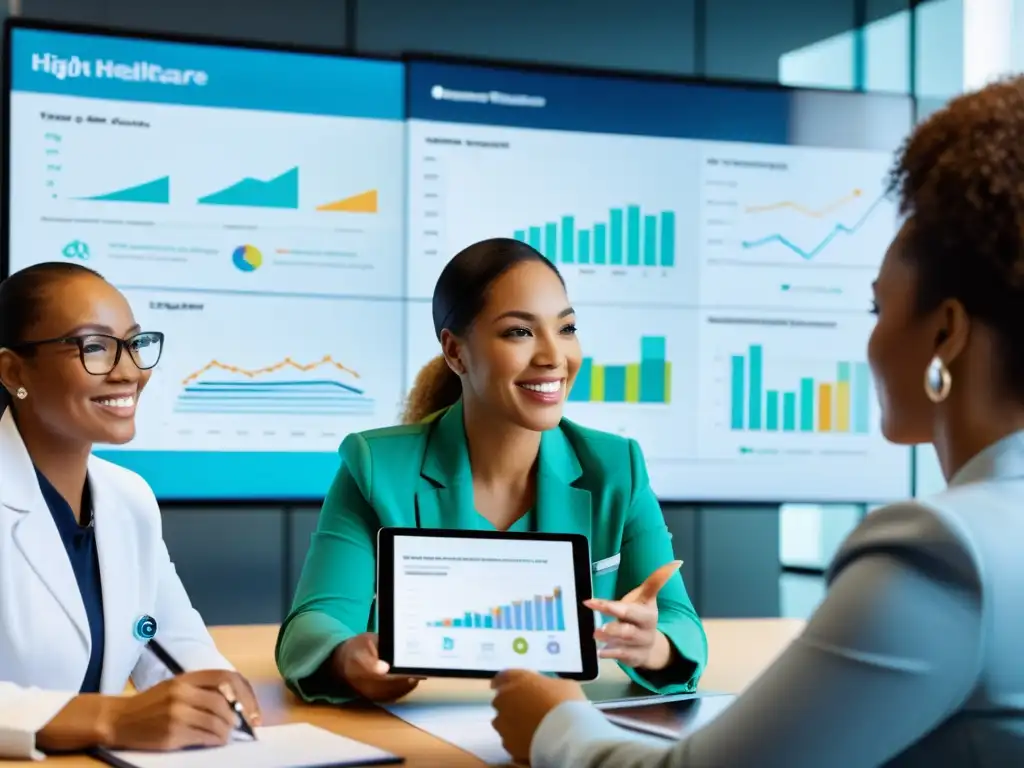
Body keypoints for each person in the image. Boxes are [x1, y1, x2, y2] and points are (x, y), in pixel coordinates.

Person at [489, 77, 1024, 768]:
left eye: (876, 309)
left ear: (945, 333)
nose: (869, 340)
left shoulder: (946, 554)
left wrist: (556, 723)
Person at [276, 238, 707, 704]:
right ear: (456, 352)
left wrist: (653, 646)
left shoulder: (615, 468)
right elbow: (315, 622)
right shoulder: (375, 466)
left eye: (566, 328)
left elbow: (679, 623)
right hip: (421, 729)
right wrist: (346, 658)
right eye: (520, 332)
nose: (553, 357)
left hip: (560, 729)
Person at [0, 262, 260, 759]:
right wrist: (110, 717)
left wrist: (213, 689)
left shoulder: (129, 497)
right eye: (94, 347)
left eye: (134, 344)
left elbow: (168, 639)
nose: (130, 371)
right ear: (14, 372)